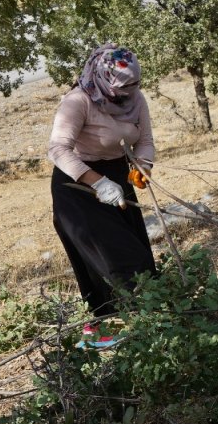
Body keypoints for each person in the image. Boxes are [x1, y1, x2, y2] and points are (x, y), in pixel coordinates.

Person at [48, 43, 157, 349]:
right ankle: (109, 333)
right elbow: (57, 149)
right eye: (123, 86)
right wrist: (98, 183)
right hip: (79, 188)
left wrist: (142, 167)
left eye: (134, 85)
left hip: (119, 181)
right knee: (112, 262)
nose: (129, 92)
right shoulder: (77, 101)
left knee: (139, 260)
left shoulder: (135, 100)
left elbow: (145, 141)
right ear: (103, 77)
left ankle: (145, 325)